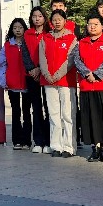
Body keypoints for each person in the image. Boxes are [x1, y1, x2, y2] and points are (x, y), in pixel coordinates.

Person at [70, 14, 103, 163]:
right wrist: (87, 74)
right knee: (91, 118)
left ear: (102, 26)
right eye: (89, 24)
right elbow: (77, 60)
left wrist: (97, 75)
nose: (92, 27)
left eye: (95, 24)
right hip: (87, 86)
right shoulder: (81, 43)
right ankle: (96, 148)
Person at [38, 9, 77, 157]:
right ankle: (56, 146)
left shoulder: (71, 38)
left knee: (67, 114)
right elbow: (42, 58)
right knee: (53, 114)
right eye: (54, 20)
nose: (57, 22)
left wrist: (57, 75)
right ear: (51, 22)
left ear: (65, 21)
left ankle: (69, 147)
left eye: (60, 19)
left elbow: (70, 60)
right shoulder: (45, 38)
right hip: (48, 80)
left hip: (66, 81)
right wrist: (47, 74)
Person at [0, 18, 31, 150]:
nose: (18, 30)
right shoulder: (7, 46)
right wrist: (3, 81)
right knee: (16, 112)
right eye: (15, 28)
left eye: (20, 27)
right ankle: (17, 141)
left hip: (27, 82)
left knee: (27, 112)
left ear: (24, 29)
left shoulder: (28, 44)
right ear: (11, 30)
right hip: (12, 83)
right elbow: (1, 64)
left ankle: (27, 141)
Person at [23, 7, 52, 154]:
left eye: (40, 16)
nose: (37, 19)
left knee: (48, 107)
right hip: (31, 75)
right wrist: (32, 69)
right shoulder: (27, 34)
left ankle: (49, 141)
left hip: (46, 75)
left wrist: (40, 68)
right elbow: (25, 54)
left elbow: (50, 53)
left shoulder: (49, 34)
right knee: (36, 108)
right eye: (34, 16)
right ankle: (38, 141)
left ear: (44, 18)